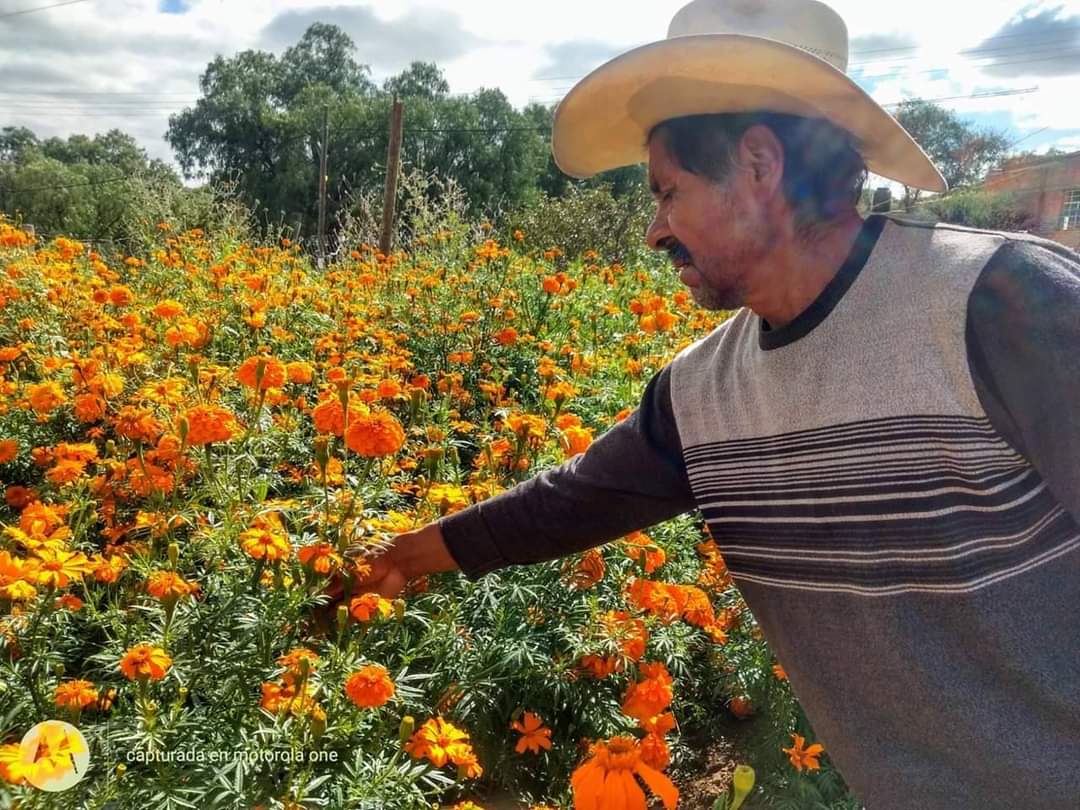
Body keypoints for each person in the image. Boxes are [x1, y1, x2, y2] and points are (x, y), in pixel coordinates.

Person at [338, 1, 1080, 807]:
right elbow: (568, 504)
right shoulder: (702, 394)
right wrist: (402, 558)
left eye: (668, 192)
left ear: (760, 166)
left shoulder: (998, 301)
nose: (654, 232)